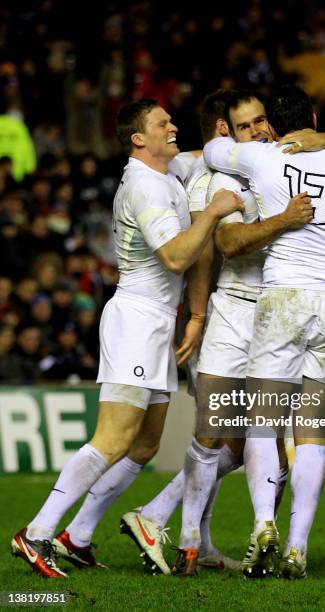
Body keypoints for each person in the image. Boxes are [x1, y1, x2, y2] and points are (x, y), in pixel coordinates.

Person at [122, 89, 325, 578]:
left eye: (263, 121)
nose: (258, 130)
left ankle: (211, 528)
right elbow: (225, 240)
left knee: (254, 438)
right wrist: (286, 218)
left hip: (277, 307)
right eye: (246, 125)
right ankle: (190, 532)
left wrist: (315, 148)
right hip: (244, 314)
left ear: (277, 123)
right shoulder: (229, 172)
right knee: (228, 435)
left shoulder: (262, 160)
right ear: (226, 130)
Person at [11, 98, 243, 578]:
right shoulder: (144, 187)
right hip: (136, 318)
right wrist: (214, 211)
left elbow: (204, 157)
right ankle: (36, 532)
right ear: (139, 138)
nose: (173, 126)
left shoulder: (166, 170)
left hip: (158, 321)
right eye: (163, 123)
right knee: (114, 438)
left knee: (144, 445)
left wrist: (258, 145)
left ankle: (77, 535)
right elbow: (177, 257)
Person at [204, 85, 325, 578]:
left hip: (282, 297)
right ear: (313, 116)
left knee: (263, 419)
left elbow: (214, 150)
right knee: (312, 433)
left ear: (275, 124)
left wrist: (256, 148)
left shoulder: (264, 160)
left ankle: (264, 523)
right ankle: (298, 548)